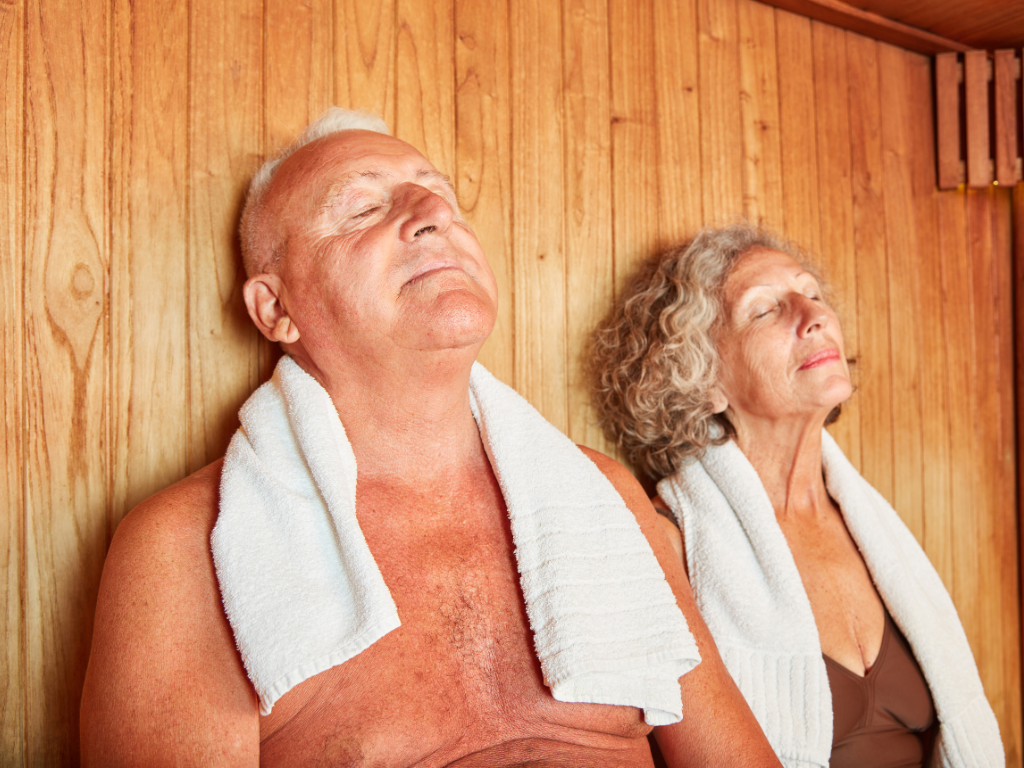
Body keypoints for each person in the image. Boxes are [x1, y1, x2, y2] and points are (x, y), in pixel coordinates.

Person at [80, 109, 781, 767]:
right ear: (276, 308)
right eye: (362, 208)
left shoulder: (603, 497)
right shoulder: (185, 546)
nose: (434, 214)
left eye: (441, 197)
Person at [589, 224, 1004, 768]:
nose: (814, 317)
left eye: (811, 294)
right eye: (765, 311)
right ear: (701, 379)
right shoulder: (673, 543)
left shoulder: (874, 531)